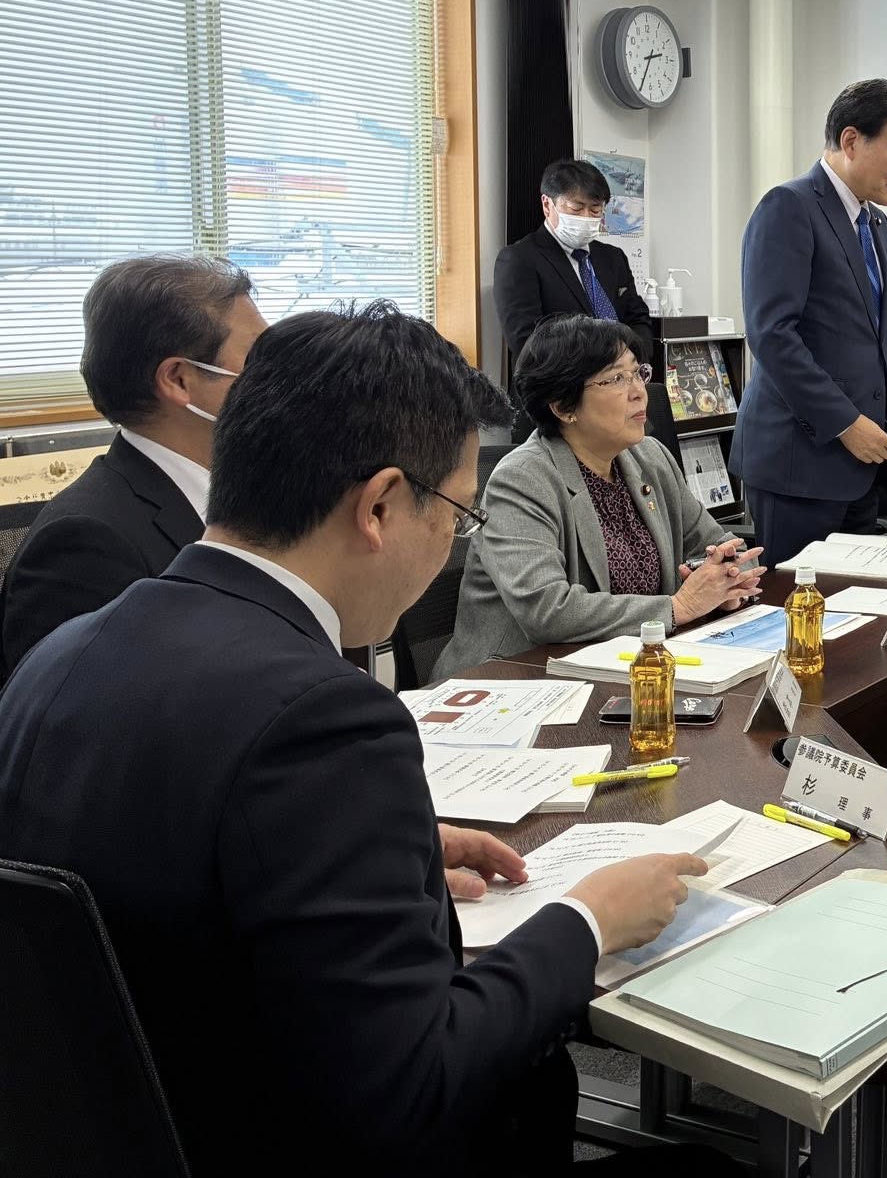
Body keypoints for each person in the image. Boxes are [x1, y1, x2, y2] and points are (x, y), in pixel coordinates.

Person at [0, 303, 724, 1175]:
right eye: (457, 513)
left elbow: (172, 873)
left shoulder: (59, 655)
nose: (453, 539)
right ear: (380, 505)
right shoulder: (323, 716)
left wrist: (381, 853)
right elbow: (414, 1087)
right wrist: (587, 920)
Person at [439, 316, 760, 679]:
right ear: (563, 407)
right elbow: (548, 610)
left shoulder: (650, 457)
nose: (639, 391)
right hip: (519, 679)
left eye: (638, 373)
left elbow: (721, 545)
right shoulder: (522, 480)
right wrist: (677, 608)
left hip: (628, 668)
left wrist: (727, 583)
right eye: (616, 379)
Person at [1, 254, 266, 678]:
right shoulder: (85, 546)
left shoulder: (248, 492)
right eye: (258, 359)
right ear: (178, 379)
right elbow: (75, 712)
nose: (277, 377)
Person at [733, 79, 887, 565]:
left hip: (863, 468)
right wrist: (844, 422)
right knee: (795, 604)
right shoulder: (789, 207)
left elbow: (883, 333)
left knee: (857, 603)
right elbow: (772, 336)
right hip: (798, 465)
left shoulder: (876, 225)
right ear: (851, 140)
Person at [494, 157, 678, 458]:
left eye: (595, 210)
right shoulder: (520, 259)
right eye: (576, 208)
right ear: (547, 204)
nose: (586, 217)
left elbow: (638, 318)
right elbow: (527, 342)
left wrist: (627, 366)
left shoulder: (612, 258)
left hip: (622, 403)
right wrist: (595, 377)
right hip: (561, 410)